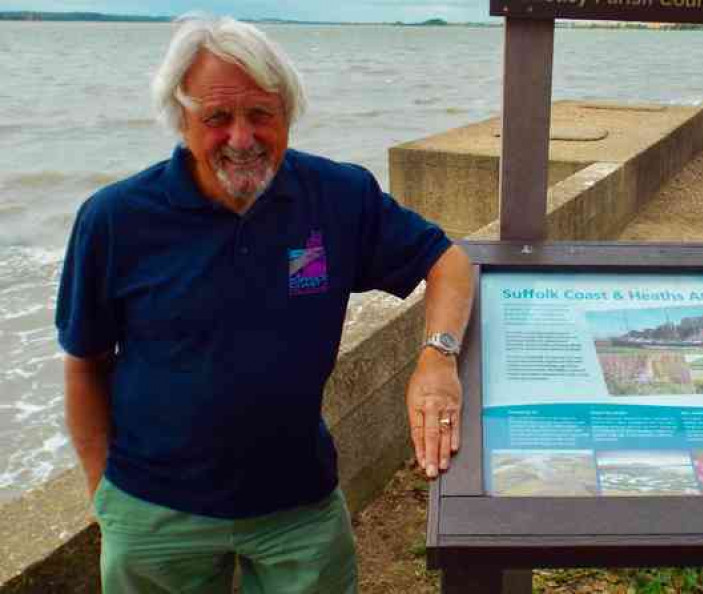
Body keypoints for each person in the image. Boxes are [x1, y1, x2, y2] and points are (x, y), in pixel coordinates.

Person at [56, 14, 473, 594]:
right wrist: (107, 497)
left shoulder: (339, 196)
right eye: (218, 117)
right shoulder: (114, 219)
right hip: (152, 510)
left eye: (261, 115)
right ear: (181, 118)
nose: (242, 138)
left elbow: (449, 263)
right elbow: (85, 363)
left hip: (299, 504)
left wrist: (437, 357)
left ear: (288, 114)